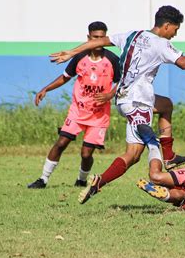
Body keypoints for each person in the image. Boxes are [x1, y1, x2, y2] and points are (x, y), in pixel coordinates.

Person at [50, 5, 185, 202]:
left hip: (124, 99)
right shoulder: (161, 44)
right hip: (138, 102)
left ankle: (100, 182)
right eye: (176, 29)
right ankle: (158, 177)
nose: (175, 34)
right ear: (167, 25)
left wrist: (71, 52)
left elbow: (100, 41)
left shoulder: (133, 35)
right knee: (151, 142)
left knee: (139, 146)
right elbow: (184, 63)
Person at [27, 21, 121, 188]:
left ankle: (81, 180)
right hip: (77, 112)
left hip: (99, 115)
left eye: (102, 37)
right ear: (88, 37)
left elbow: (122, 83)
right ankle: (43, 179)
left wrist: (109, 95)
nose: (98, 40)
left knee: (86, 154)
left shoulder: (112, 60)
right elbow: (65, 77)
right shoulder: (79, 57)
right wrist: (46, 89)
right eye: (95, 37)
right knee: (61, 143)